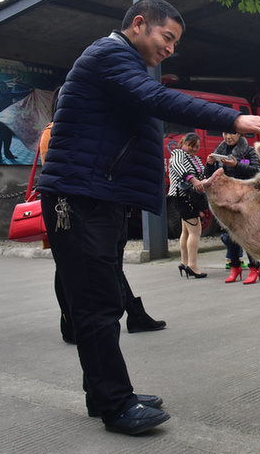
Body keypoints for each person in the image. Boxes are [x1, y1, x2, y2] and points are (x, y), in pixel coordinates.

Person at [36, 0, 260, 436]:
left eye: (175, 43)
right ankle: (115, 404)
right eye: (167, 37)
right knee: (97, 305)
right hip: (79, 197)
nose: (170, 48)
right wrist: (233, 118)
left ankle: (103, 393)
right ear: (139, 24)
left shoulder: (121, 63)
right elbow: (157, 99)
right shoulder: (110, 55)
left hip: (97, 196)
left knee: (102, 298)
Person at [39, 88, 166, 343]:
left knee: (106, 265)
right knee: (68, 270)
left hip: (102, 208)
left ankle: (132, 313)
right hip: (71, 213)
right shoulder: (54, 130)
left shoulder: (86, 128)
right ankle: (72, 322)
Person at [205, 131, 260, 284]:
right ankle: (235, 267)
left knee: (247, 235)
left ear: (239, 134)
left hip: (246, 198)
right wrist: (209, 165)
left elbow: (257, 171)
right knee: (231, 235)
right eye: (224, 133)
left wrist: (237, 165)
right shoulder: (219, 151)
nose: (228, 137)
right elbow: (209, 176)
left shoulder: (249, 150)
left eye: (232, 134)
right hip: (226, 200)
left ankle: (254, 268)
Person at [167, 132, 208, 279]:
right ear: (184, 143)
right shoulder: (178, 154)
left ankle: (184, 262)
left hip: (186, 198)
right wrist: (194, 181)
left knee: (185, 231)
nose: (194, 149)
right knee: (196, 231)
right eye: (191, 145)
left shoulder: (195, 158)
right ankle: (192, 265)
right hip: (183, 197)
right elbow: (178, 167)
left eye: (196, 146)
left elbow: (202, 175)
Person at [0, 80, 31, 164]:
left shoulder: (9, 94)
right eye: (2, 87)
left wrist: (30, 91)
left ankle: (8, 154)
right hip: (0, 121)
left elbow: (20, 93)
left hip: (9, 121)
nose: (4, 89)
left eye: (5, 87)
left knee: (8, 138)